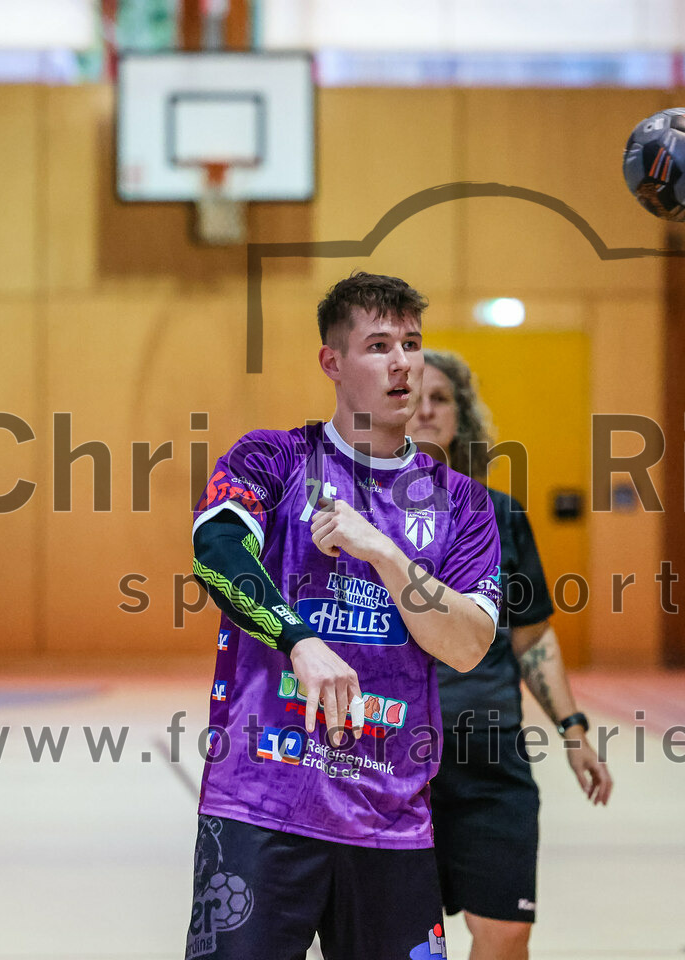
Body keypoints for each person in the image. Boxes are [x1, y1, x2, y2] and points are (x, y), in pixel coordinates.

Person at [186, 273, 503, 960]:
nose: (401, 363)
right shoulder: (272, 459)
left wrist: (384, 552)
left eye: (412, 344)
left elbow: (469, 643)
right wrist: (297, 639)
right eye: (378, 344)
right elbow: (215, 553)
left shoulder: (464, 506)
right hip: (261, 808)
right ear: (333, 362)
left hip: (390, 822)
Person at [409, 350, 613, 960]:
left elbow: (531, 635)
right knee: (397, 942)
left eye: (440, 397)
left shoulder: (499, 515)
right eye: (412, 393)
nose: (423, 407)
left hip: (489, 760)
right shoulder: (359, 516)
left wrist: (573, 730)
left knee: (505, 934)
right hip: (392, 767)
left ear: (461, 414)